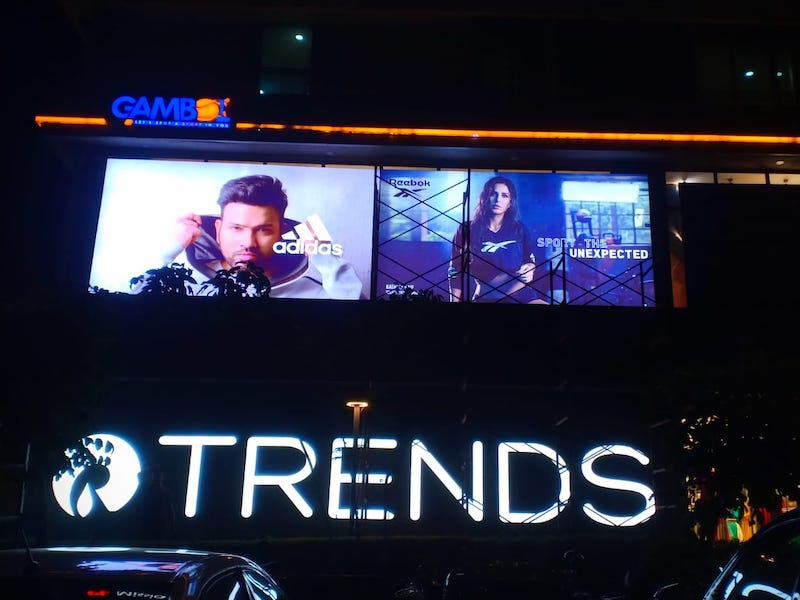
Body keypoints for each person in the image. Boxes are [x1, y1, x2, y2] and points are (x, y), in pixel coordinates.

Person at [161, 174, 365, 299]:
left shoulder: (310, 291)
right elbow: (141, 298)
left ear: (280, 232)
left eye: (263, 230)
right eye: (236, 228)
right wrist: (168, 249)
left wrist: (326, 257)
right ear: (218, 230)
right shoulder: (187, 282)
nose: (248, 243)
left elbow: (359, 320)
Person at [448, 175, 546, 303]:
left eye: (504, 195)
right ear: (485, 198)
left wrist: (530, 267)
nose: (498, 199)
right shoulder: (467, 229)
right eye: (493, 194)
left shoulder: (519, 229)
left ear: (510, 202)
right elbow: (455, 270)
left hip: (522, 296)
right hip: (486, 299)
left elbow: (529, 259)